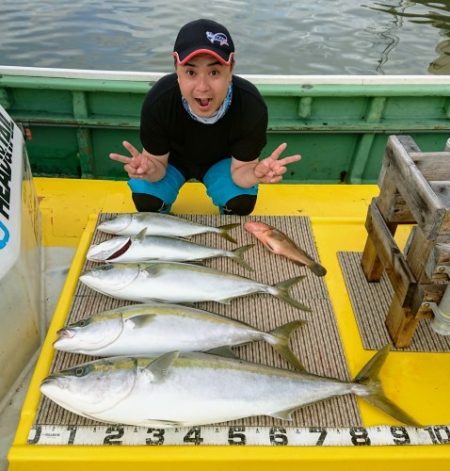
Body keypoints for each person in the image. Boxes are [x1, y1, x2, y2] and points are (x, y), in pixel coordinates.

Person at [110, 18, 301, 215]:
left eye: (214, 72)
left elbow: (240, 172)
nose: (203, 87)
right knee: (146, 198)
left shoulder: (250, 105)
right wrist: (148, 170)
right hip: (172, 162)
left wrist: (255, 174)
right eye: (191, 72)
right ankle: (161, 214)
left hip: (222, 163)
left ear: (231, 68)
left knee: (241, 201)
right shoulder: (159, 101)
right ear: (177, 68)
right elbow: (157, 164)